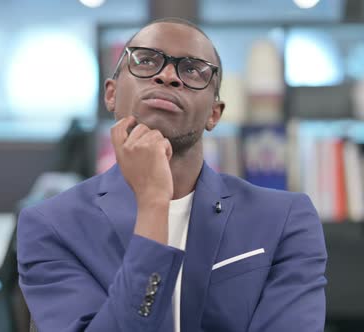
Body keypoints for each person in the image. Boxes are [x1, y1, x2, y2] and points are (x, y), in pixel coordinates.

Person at [17, 17, 327, 332]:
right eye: (147, 61)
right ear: (111, 94)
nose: (167, 76)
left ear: (214, 114)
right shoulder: (52, 225)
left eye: (192, 70)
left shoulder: (284, 218)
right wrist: (153, 202)